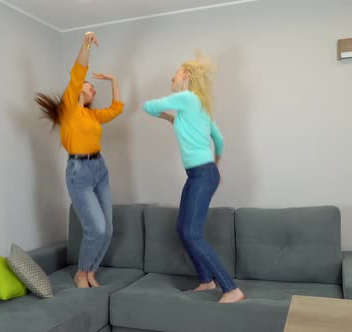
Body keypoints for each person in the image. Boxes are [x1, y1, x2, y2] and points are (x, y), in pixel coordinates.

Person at [142, 56, 245, 303]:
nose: (171, 78)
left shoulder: (187, 99)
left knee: (192, 233)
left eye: (175, 74)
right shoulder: (199, 107)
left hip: (202, 173)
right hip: (201, 173)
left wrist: (168, 115)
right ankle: (206, 280)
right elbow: (218, 140)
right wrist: (215, 167)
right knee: (183, 229)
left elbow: (148, 106)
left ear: (187, 75)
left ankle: (231, 289)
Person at [36, 32, 124, 288]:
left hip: (100, 169)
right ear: (77, 91)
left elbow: (117, 108)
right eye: (89, 84)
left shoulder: (92, 116)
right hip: (80, 172)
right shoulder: (69, 109)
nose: (92, 87)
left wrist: (114, 80)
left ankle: (90, 272)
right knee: (95, 228)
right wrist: (86, 46)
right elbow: (77, 72)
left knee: (107, 229)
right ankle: (81, 272)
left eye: (93, 86)